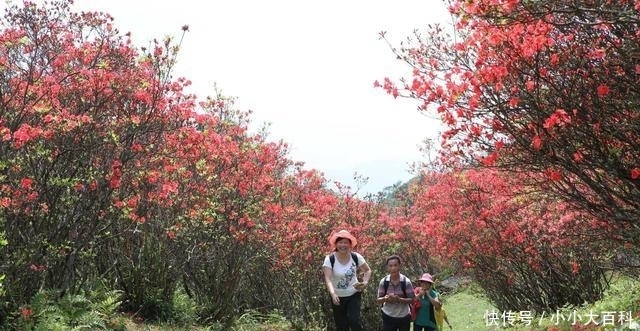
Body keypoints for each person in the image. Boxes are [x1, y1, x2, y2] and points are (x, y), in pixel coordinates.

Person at [322, 230, 372, 331]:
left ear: (350, 244)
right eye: (340, 242)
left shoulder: (355, 257)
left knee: (354, 320)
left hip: (353, 294)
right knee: (341, 325)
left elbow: (367, 271)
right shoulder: (330, 259)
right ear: (336, 244)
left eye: (346, 242)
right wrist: (333, 294)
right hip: (337, 297)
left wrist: (365, 283)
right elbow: (328, 278)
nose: (343, 245)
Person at [376, 255, 415, 331]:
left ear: (399, 266)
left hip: (404, 316)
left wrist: (399, 299)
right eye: (390, 266)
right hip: (388, 316)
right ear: (387, 267)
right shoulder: (383, 282)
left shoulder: (406, 282)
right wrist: (385, 298)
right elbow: (378, 299)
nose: (393, 268)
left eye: (395, 265)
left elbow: (412, 300)